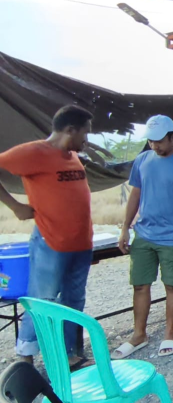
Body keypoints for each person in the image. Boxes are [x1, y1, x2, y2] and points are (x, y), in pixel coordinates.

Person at [0, 105, 94, 369]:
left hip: (81, 243)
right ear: (70, 130)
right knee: (42, 300)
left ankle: (68, 355)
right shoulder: (34, 152)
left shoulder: (72, 156)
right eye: (85, 133)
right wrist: (15, 206)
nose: (86, 140)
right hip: (51, 242)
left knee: (73, 301)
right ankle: (25, 360)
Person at [112, 115, 173, 359]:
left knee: (172, 285)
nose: (154, 145)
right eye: (150, 141)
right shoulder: (142, 160)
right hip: (144, 233)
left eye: (159, 140)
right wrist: (125, 228)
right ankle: (139, 334)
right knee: (140, 285)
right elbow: (135, 195)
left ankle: (170, 333)